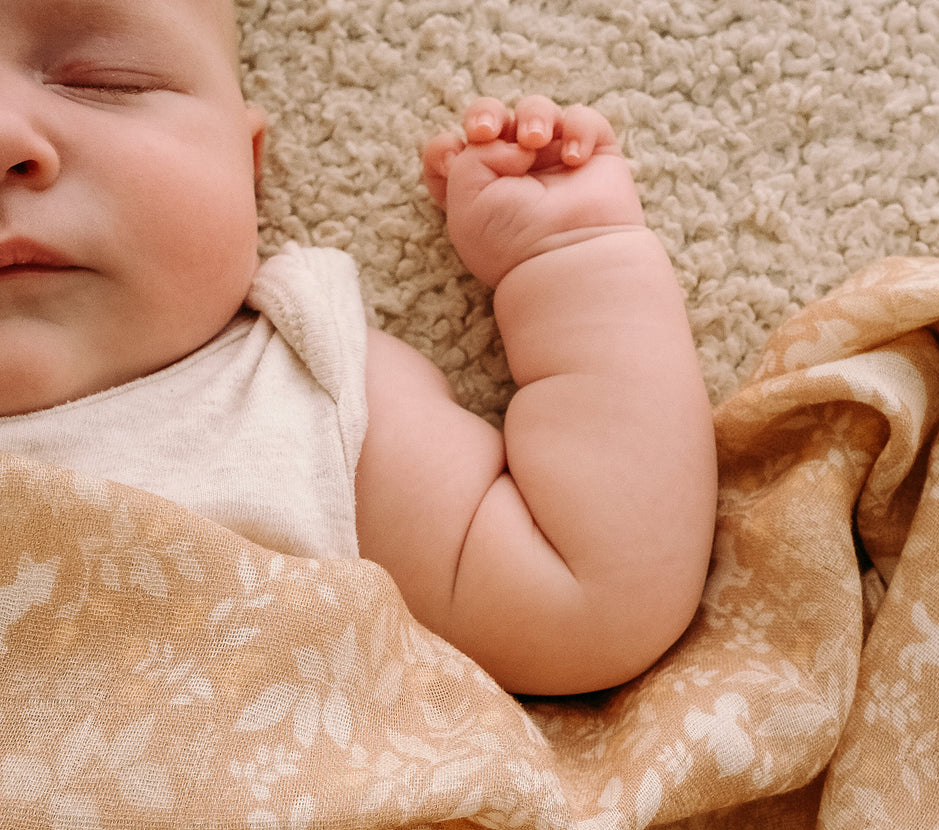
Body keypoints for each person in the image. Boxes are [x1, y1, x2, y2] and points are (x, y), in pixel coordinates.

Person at [0, 0, 717, 695]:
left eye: (106, 81)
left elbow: (588, 601)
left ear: (246, 163)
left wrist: (571, 256)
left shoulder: (299, 398)